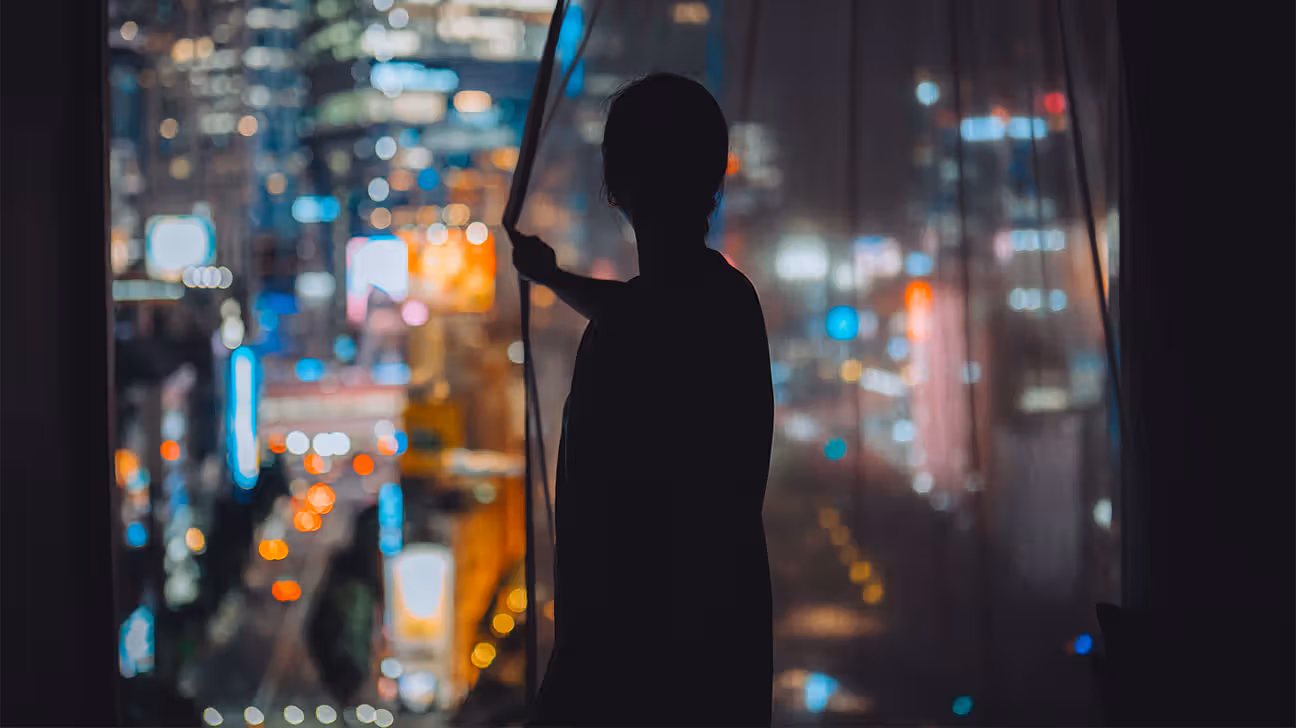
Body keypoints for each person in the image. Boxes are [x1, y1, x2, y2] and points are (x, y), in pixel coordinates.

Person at [508, 73, 774, 727]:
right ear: (713, 179)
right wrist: (551, 278)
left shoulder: (648, 323)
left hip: (631, 664)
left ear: (614, 187)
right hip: (713, 660)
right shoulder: (722, 303)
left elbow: (638, 316)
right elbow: (638, 309)